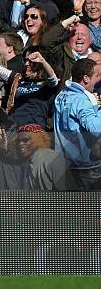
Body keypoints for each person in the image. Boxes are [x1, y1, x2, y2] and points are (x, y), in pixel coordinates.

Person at [53, 58, 101, 190]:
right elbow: (96, 128)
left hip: (65, 163)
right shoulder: (82, 100)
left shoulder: (61, 95)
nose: (98, 80)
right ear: (86, 78)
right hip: (86, 168)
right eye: (96, 76)